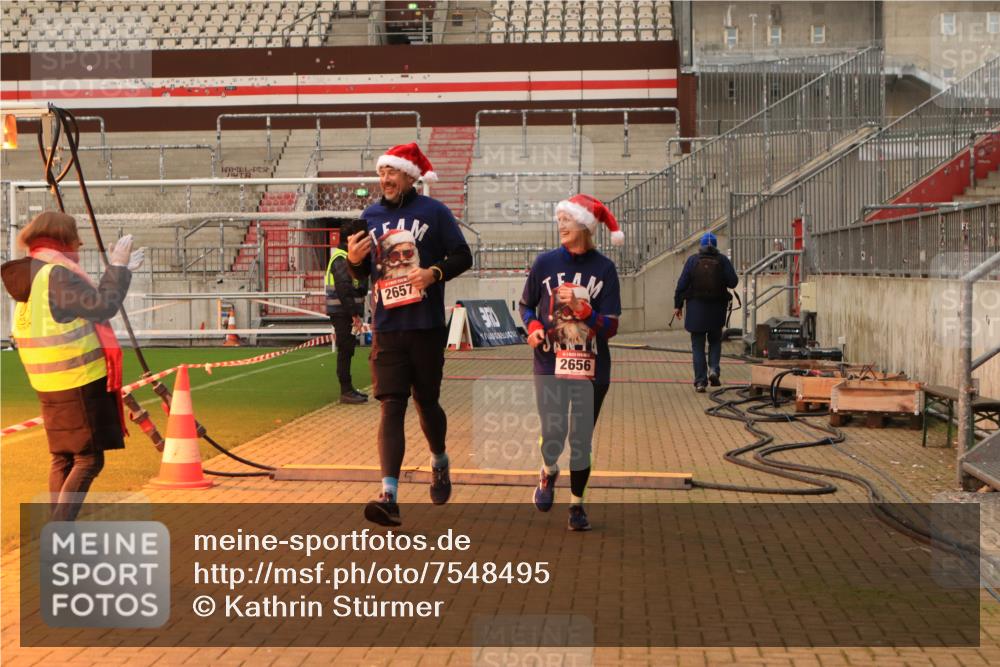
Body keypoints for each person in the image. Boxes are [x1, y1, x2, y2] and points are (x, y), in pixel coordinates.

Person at [347, 143, 472, 526]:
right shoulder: (369, 216)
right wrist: (353, 263)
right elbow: (360, 276)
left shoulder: (434, 212)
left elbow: (463, 256)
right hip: (387, 330)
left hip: (426, 327)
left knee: (427, 403)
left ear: (410, 176)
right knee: (391, 405)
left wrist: (433, 273)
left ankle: (439, 459)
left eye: (393, 172)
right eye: (382, 172)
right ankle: (389, 495)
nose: (385, 179)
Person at [1, 211, 143, 521]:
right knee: (89, 459)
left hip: (49, 382)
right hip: (78, 379)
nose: (78, 246)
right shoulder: (56, 273)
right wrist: (118, 268)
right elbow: (100, 305)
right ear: (63, 239)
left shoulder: (33, 274)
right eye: (75, 239)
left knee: (63, 457)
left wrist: (121, 273)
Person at [518, 194, 623, 531]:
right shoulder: (545, 263)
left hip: (590, 365)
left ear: (586, 225)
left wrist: (584, 311)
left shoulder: (604, 269)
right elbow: (526, 307)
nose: (560, 224)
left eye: (567, 218)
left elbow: (612, 327)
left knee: (580, 438)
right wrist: (533, 328)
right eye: (558, 218)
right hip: (549, 361)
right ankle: (548, 471)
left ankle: (577, 504)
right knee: (553, 431)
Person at [673, 232, 739, 392]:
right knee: (715, 341)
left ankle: (700, 382)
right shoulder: (722, 260)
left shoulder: (692, 260)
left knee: (698, 346)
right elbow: (733, 281)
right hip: (717, 311)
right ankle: (714, 369)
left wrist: (678, 305)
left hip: (696, 311)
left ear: (700, 246)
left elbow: (682, 284)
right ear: (715, 246)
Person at [325, 218, 369, 404]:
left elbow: (357, 286)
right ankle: (345, 390)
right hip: (343, 312)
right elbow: (344, 289)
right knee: (345, 350)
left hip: (345, 311)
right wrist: (354, 314)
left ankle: (348, 389)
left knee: (347, 349)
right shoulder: (341, 259)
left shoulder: (344, 257)